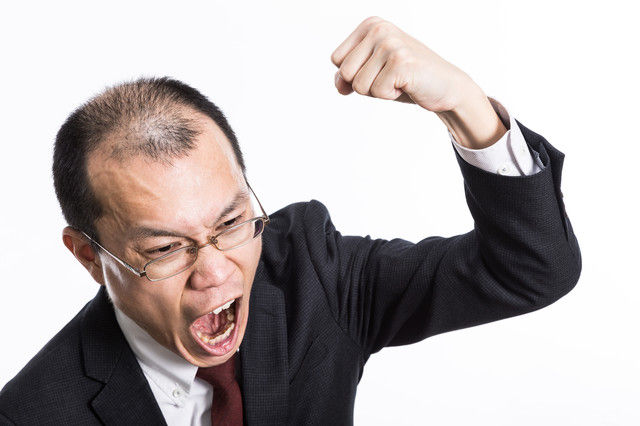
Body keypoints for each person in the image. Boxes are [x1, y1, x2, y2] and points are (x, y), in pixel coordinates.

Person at [0, 16, 581, 425]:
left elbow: (531, 270)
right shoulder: (33, 413)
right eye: (165, 249)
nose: (216, 273)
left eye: (231, 222)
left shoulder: (311, 276)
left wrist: (464, 105)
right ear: (89, 256)